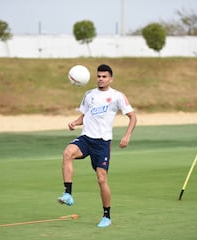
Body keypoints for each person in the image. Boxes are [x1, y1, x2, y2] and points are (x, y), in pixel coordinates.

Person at [57, 64, 137, 228]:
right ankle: (68, 193)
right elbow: (84, 115)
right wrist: (75, 122)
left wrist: (127, 135)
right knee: (67, 153)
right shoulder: (89, 95)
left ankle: (106, 215)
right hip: (86, 138)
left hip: (102, 143)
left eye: (104, 76)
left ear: (111, 79)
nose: (101, 79)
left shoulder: (117, 96)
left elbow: (133, 117)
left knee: (101, 180)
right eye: (99, 76)